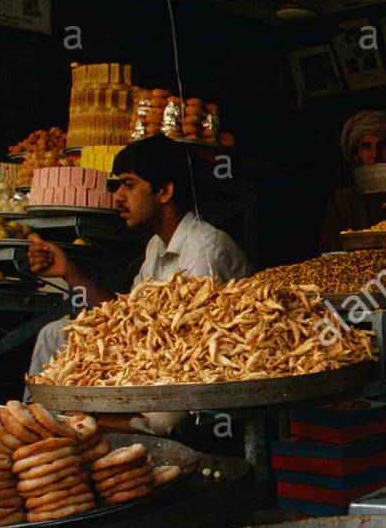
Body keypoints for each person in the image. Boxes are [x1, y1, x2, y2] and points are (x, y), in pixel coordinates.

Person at [26, 135, 251, 381]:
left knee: (163, 418)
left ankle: (93, 417)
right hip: (157, 350)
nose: (118, 197)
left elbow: (186, 345)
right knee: (55, 334)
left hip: (198, 367)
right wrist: (69, 271)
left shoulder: (205, 249)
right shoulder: (157, 245)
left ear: (164, 192)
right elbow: (125, 315)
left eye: (129, 185)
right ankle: (43, 417)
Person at [318, 110, 386, 252]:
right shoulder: (342, 202)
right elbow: (329, 254)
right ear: (356, 156)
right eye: (366, 147)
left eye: (383, 146)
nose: (375, 155)